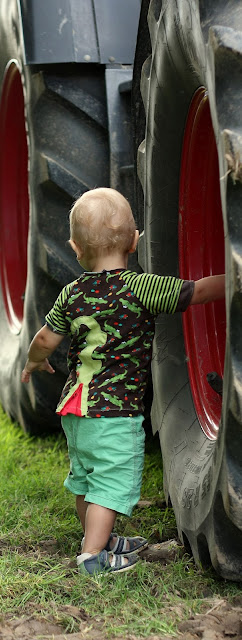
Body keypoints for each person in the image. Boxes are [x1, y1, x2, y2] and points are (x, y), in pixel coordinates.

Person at [21, 187, 225, 575]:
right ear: (134, 241)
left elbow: (45, 338)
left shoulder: (72, 292)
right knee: (110, 485)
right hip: (113, 411)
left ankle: (97, 539)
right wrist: (234, 278)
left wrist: (34, 363)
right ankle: (92, 556)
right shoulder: (141, 287)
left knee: (85, 480)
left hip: (75, 408)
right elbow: (195, 292)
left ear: (74, 247)